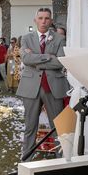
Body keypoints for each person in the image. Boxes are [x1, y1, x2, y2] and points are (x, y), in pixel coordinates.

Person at [17, 8, 69, 160]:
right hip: (31, 87)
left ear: (51, 20)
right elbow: (26, 59)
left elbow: (60, 61)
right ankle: (26, 159)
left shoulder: (59, 38)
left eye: (47, 18)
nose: (44, 21)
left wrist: (36, 59)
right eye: (40, 18)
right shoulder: (26, 38)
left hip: (53, 87)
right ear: (35, 20)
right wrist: (48, 57)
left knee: (58, 126)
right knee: (30, 126)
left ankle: (62, 159)